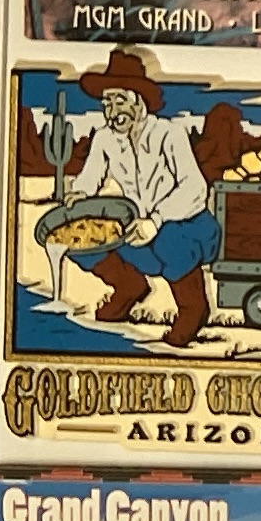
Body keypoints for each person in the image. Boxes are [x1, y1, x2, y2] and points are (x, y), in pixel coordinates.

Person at [57, 48, 217, 348]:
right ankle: (128, 286)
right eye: (107, 103)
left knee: (170, 240)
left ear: (139, 101)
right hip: (137, 226)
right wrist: (80, 194)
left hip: (188, 226)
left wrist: (155, 221)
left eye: (120, 101)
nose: (112, 111)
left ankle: (193, 308)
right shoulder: (105, 138)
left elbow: (195, 188)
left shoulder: (169, 134)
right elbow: (91, 177)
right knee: (81, 240)